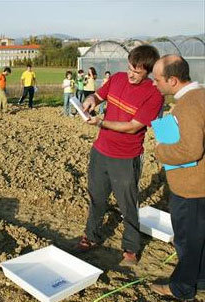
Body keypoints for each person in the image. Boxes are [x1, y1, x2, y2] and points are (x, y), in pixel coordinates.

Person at [76, 45, 164, 266]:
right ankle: (91, 236)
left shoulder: (154, 94)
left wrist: (101, 122)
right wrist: (91, 101)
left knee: (127, 204)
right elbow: (98, 95)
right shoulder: (116, 79)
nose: (131, 74)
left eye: (137, 72)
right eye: (129, 68)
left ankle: (131, 248)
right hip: (100, 151)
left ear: (149, 72)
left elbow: (134, 127)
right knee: (97, 197)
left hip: (126, 157)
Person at [149, 55, 205, 301]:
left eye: (157, 79)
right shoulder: (200, 96)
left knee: (187, 241)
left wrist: (160, 149)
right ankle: (200, 280)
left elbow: (191, 149)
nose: (153, 83)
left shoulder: (189, 105)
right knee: (199, 239)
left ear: (172, 80)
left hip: (191, 187)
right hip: (200, 185)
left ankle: (181, 288)